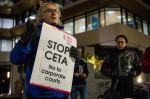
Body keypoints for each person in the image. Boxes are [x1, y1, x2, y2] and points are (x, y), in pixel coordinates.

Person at [10, 2, 80, 99]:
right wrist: (23, 43)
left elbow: (67, 67)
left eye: (56, 11)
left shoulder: (66, 38)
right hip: (39, 95)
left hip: (61, 95)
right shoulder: (35, 34)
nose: (53, 12)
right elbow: (15, 59)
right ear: (42, 16)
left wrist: (75, 60)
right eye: (49, 10)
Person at [101, 35, 142, 99]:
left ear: (125, 43)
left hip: (128, 82)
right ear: (116, 43)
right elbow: (103, 68)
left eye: (122, 42)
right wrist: (111, 74)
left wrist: (133, 73)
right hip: (116, 82)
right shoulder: (111, 54)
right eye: (118, 42)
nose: (120, 44)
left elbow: (139, 67)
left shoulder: (132, 54)